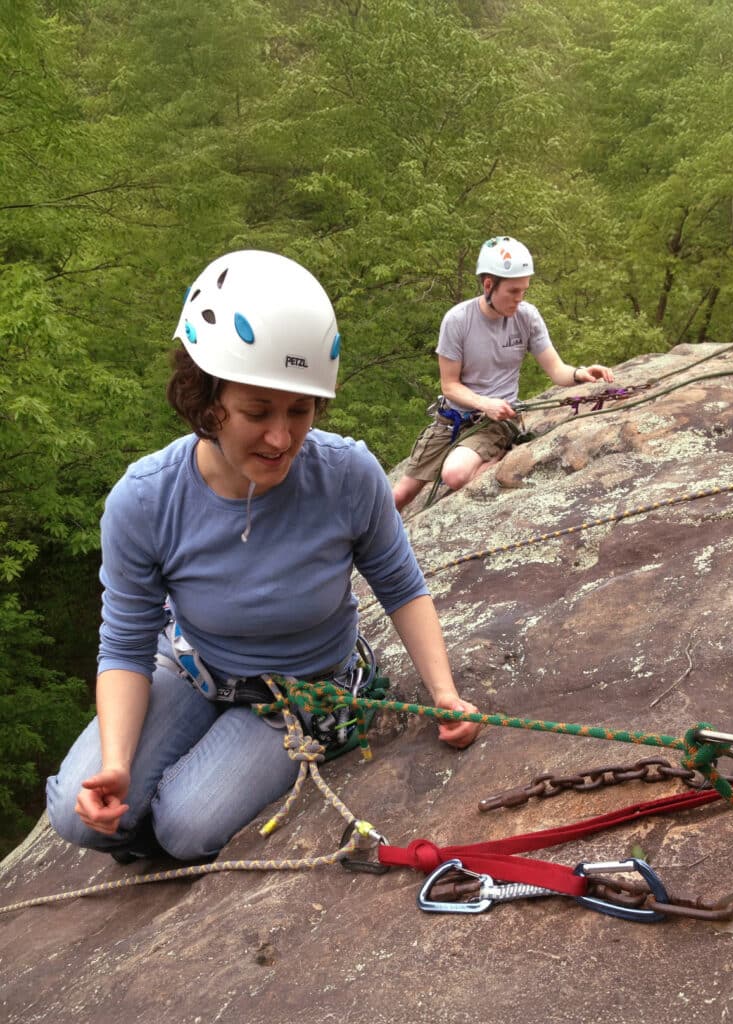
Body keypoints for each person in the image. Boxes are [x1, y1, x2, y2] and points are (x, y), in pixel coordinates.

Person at [46, 250, 481, 864]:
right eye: (257, 412)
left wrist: (444, 692)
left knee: (186, 830)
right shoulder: (144, 501)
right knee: (79, 815)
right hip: (194, 663)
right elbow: (124, 641)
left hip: (300, 688)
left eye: (299, 411)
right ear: (205, 401)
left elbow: (400, 584)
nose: (282, 438)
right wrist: (117, 765)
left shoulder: (346, 475)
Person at [392, 235, 615, 511]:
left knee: (455, 474)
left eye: (524, 291)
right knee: (398, 496)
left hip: (497, 423)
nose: (519, 299)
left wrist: (580, 373)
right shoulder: (458, 320)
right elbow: (449, 386)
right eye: (513, 291)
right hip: (452, 421)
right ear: (488, 285)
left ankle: (498, 461)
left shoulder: (527, 317)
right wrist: (485, 403)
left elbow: (557, 370)